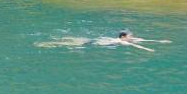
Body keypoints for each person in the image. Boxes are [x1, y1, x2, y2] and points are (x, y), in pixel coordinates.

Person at [35, 30, 171, 52]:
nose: (132, 37)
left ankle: (61, 39)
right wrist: (148, 49)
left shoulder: (130, 39)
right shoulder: (122, 42)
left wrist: (160, 41)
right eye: (130, 35)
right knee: (75, 43)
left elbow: (143, 39)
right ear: (123, 37)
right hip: (97, 43)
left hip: (100, 40)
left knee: (77, 40)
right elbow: (137, 47)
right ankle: (51, 43)